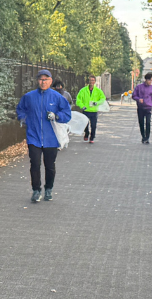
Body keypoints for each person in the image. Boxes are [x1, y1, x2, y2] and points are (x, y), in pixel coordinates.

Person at [15, 69, 72, 202]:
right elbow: (20, 109)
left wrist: (57, 116)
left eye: (46, 79)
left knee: (50, 165)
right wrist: (23, 119)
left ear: (50, 81)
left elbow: (67, 113)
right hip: (33, 136)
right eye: (41, 79)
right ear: (37, 81)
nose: (43, 82)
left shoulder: (57, 97)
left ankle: (48, 189)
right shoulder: (29, 96)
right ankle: (36, 190)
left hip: (51, 138)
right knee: (34, 163)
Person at [75, 75, 106, 144]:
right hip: (86, 110)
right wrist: (82, 106)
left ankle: (92, 137)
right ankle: (86, 133)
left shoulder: (98, 91)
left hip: (94, 110)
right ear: (88, 81)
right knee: (85, 124)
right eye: (90, 80)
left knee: (93, 125)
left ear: (95, 81)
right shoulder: (83, 90)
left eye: (93, 80)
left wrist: (97, 103)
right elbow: (78, 99)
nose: (91, 82)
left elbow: (103, 98)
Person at [132, 72, 152, 143]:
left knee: (148, 122)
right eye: (150, 80)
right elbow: (134, 96)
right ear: (146, 80)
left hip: (148, 107)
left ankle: (147, 137)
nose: (150, 82)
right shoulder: (139, 87)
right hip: (140, 107)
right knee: (141, 122)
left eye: (151, 80)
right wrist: (138, 99)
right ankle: (143, 136)